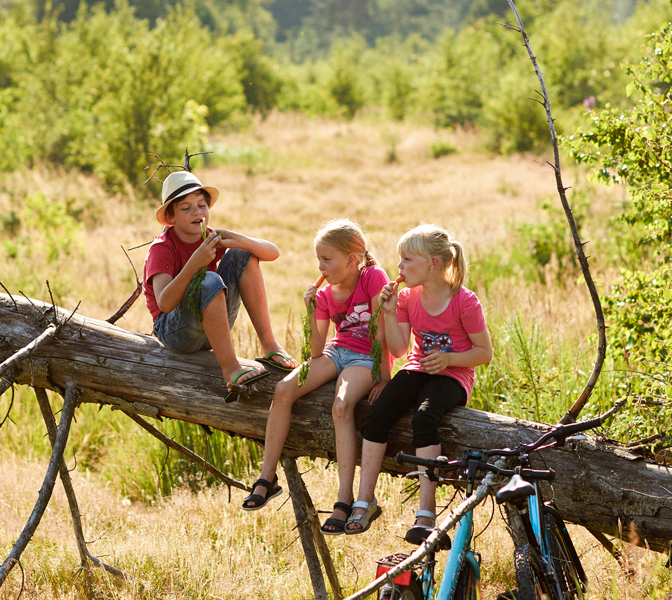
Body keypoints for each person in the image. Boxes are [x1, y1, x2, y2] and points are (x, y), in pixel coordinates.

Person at [241, 219, 392, 533]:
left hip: (366, 357)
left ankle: (344, 498)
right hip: (337, 352)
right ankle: (267, 477)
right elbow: (315, 352)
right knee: (283, 389)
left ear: (352, 260)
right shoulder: (325, 294)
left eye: (327, 258)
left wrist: (384, 376)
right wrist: (311, 310)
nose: (320, 266)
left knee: (341, 405)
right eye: (318, 259)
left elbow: (382, 331)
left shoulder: (372, 277)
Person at [344, 224, 492, 541]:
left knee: (425, 416)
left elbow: (484, 353)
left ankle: (426, 512)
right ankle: (364, 501)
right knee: (378, 412)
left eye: (407, 260)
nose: (399, 267)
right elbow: (399, 349)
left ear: (433, 264)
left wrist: (450, 359)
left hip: (454, 375)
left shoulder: (464, 301)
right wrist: (385, 311)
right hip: (417, 368)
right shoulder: (408, 297)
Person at [143, 170, 296, 402]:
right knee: (209, 280)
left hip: (210, 326)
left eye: (202, 205)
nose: (197, 212)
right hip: (175, 332)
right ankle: (231, 369)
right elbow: (164, 303)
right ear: (171, 217)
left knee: (242, 254)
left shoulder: (210, 237)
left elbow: (273, 253)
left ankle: (269, 344)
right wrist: (194, 264)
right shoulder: (161, 248)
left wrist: (238, 239)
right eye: (186, 208)